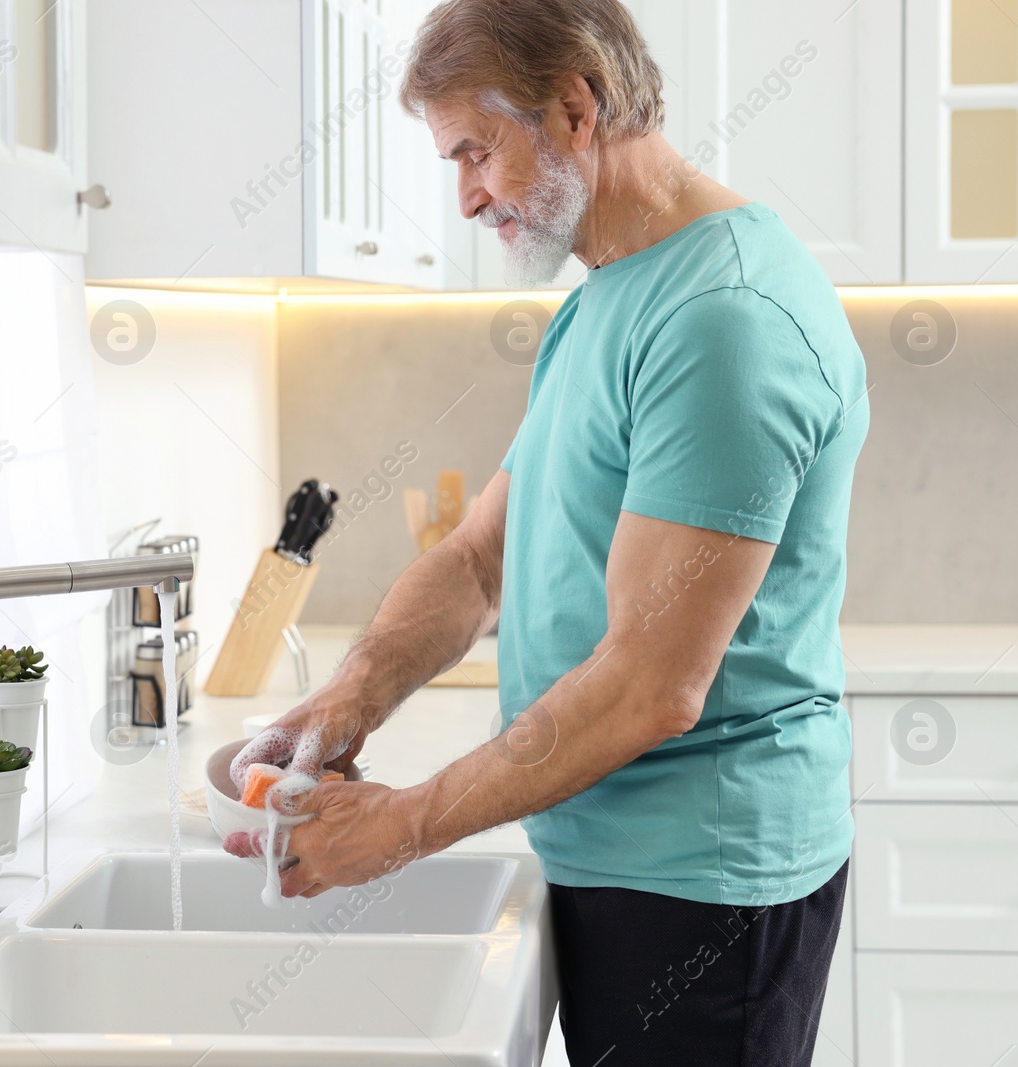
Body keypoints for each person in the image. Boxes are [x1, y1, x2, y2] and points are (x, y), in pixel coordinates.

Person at [223, 1, 868, 1062]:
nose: (467, 195)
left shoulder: (725, 318)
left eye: (476, 150)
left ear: (575, 104)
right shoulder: (611, 291)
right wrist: (347, 701)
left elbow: (650, 683)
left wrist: (405, 820)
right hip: (614, 853)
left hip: (701, 885)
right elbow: (481, 557)